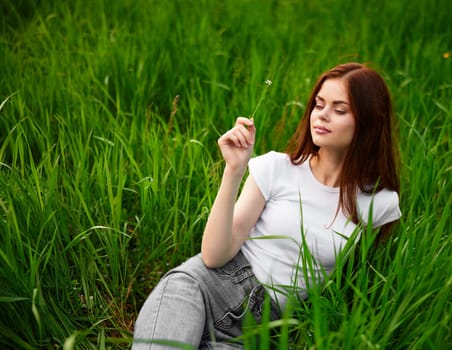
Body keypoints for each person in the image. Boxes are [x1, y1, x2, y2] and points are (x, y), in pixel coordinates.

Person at [133, 62, 401, 349]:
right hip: (205, 287)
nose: (321, 116)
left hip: (261, 332)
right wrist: (234, 170)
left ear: (369, 121)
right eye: (318, 104)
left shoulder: (378, 204)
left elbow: (355, 285)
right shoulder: (277, 168)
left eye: (339, 110)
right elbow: (213, 257)